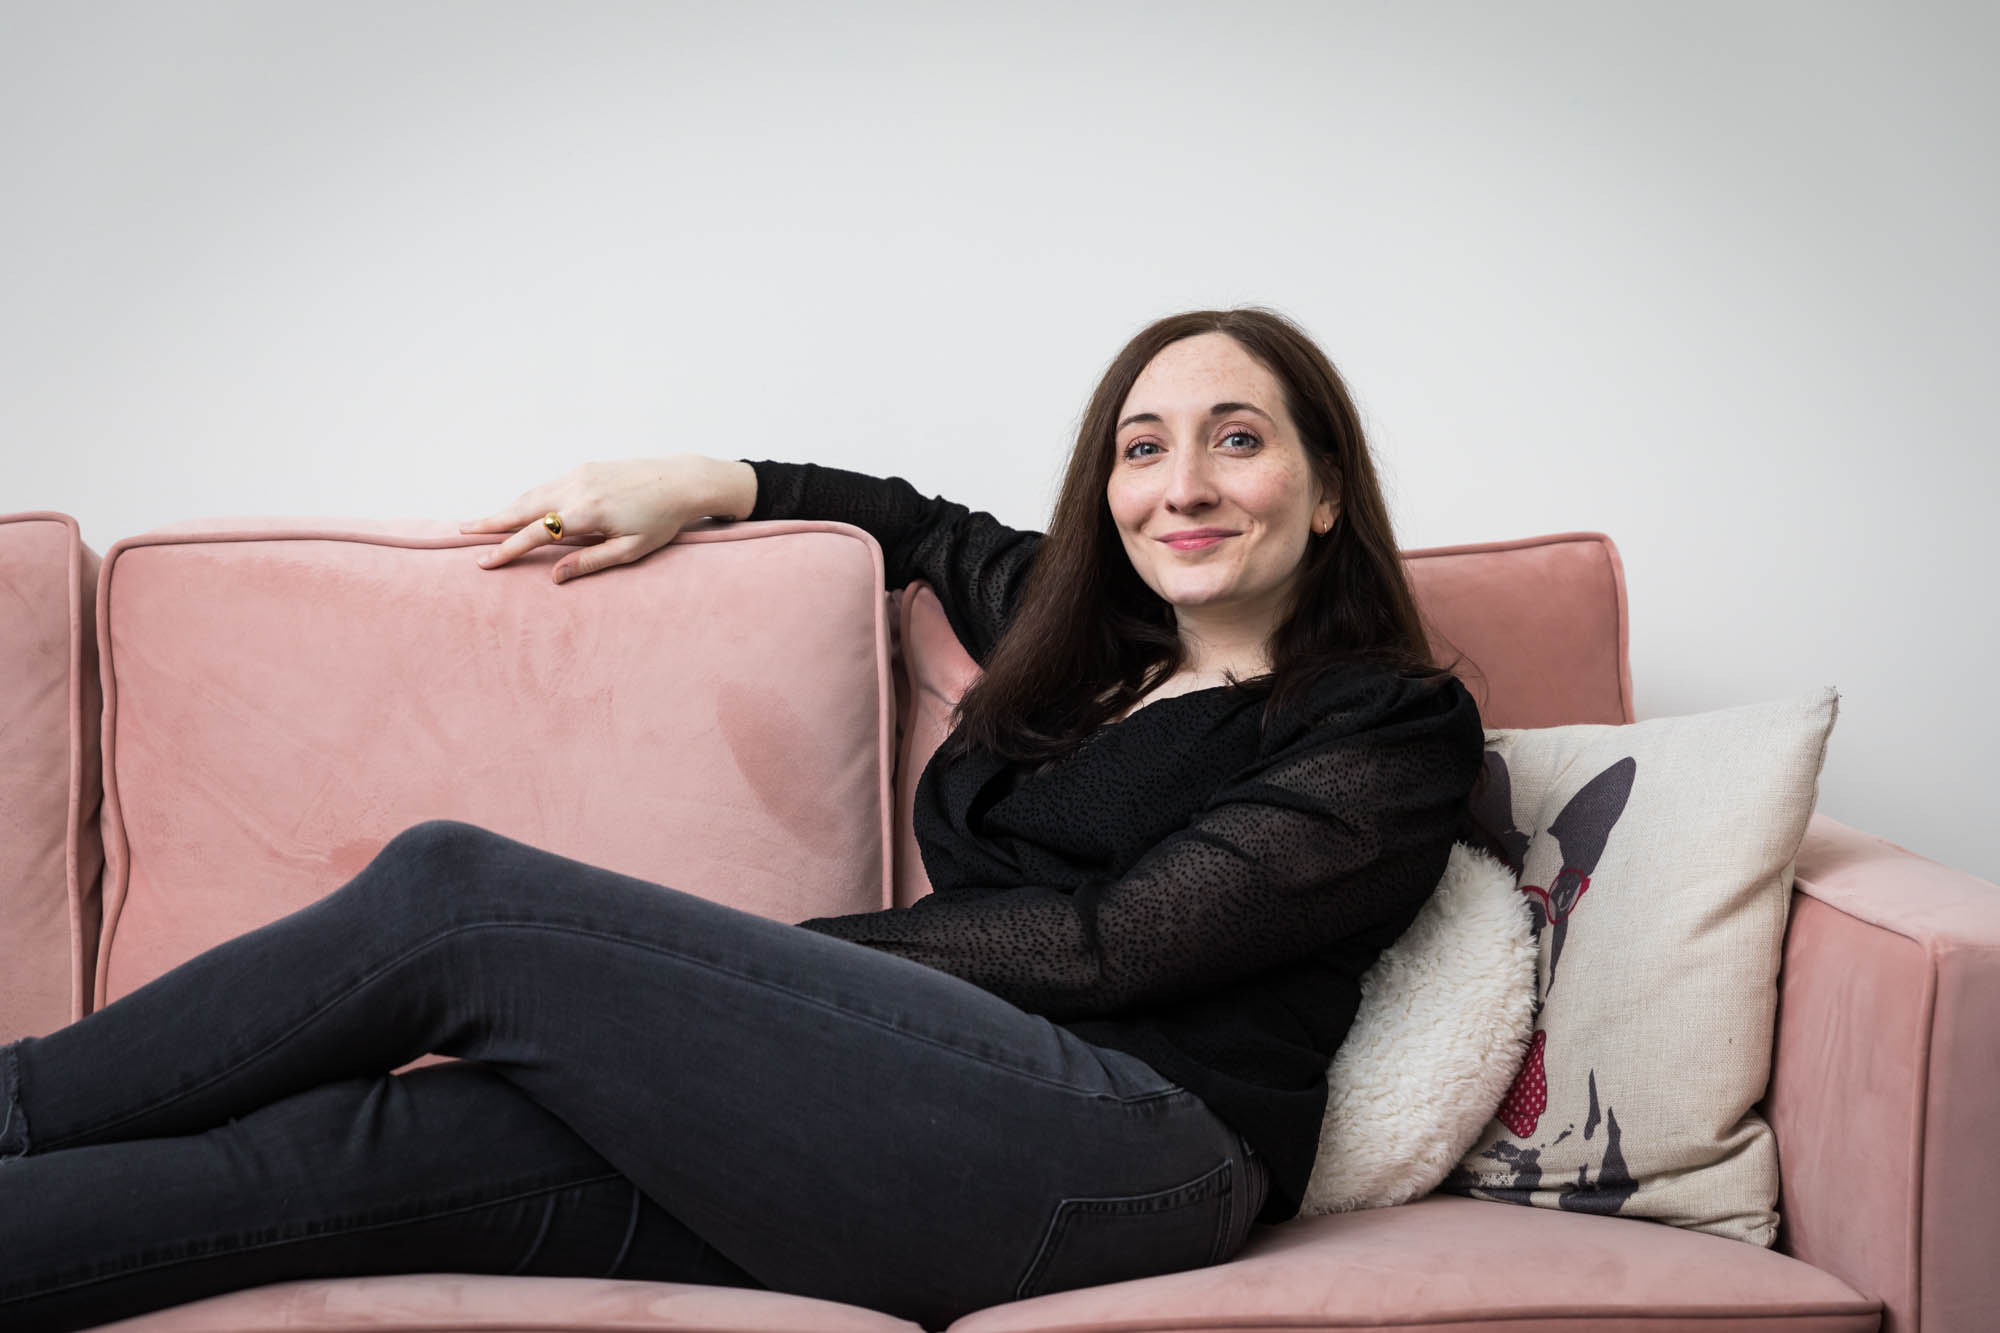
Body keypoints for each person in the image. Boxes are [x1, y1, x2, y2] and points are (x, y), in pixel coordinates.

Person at [0, 307, 1486, 1333]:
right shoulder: (1089, 639)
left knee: (458, 900)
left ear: (1329, 486)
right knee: (362, 1148)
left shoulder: (1389, 721)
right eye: (1144, 446)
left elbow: (1116, 943)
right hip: (905, 1137)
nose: (1182, 485)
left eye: (1237, 439)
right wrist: (709, 481)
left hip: (1124, 1153)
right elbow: (913, 523)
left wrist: (755, 976)